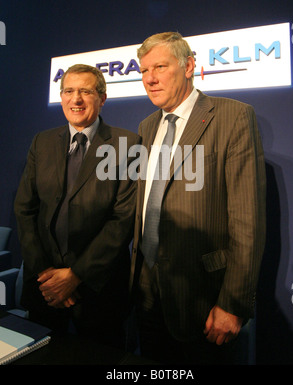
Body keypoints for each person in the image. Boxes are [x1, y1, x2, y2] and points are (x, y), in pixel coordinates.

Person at [129, 32, 266, 364]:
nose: (150, 78)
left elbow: (248, 220)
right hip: (147, 294)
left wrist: (233, 303)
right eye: (144, 70)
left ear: (189, 65)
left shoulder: (232, 116)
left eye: (160, 66)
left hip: (203, 300)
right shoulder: (146, 126)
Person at [14, 64, 140, 349]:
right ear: (61, 97)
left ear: (103, 98)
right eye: (69, 91)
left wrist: (75, 275)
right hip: (44, 289)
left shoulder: (128, 144)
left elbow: (123, 218)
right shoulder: (42, 142)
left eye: (86, 91)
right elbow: (25, 209)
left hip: (99, 291)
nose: (76, 99)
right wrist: (46, 275)